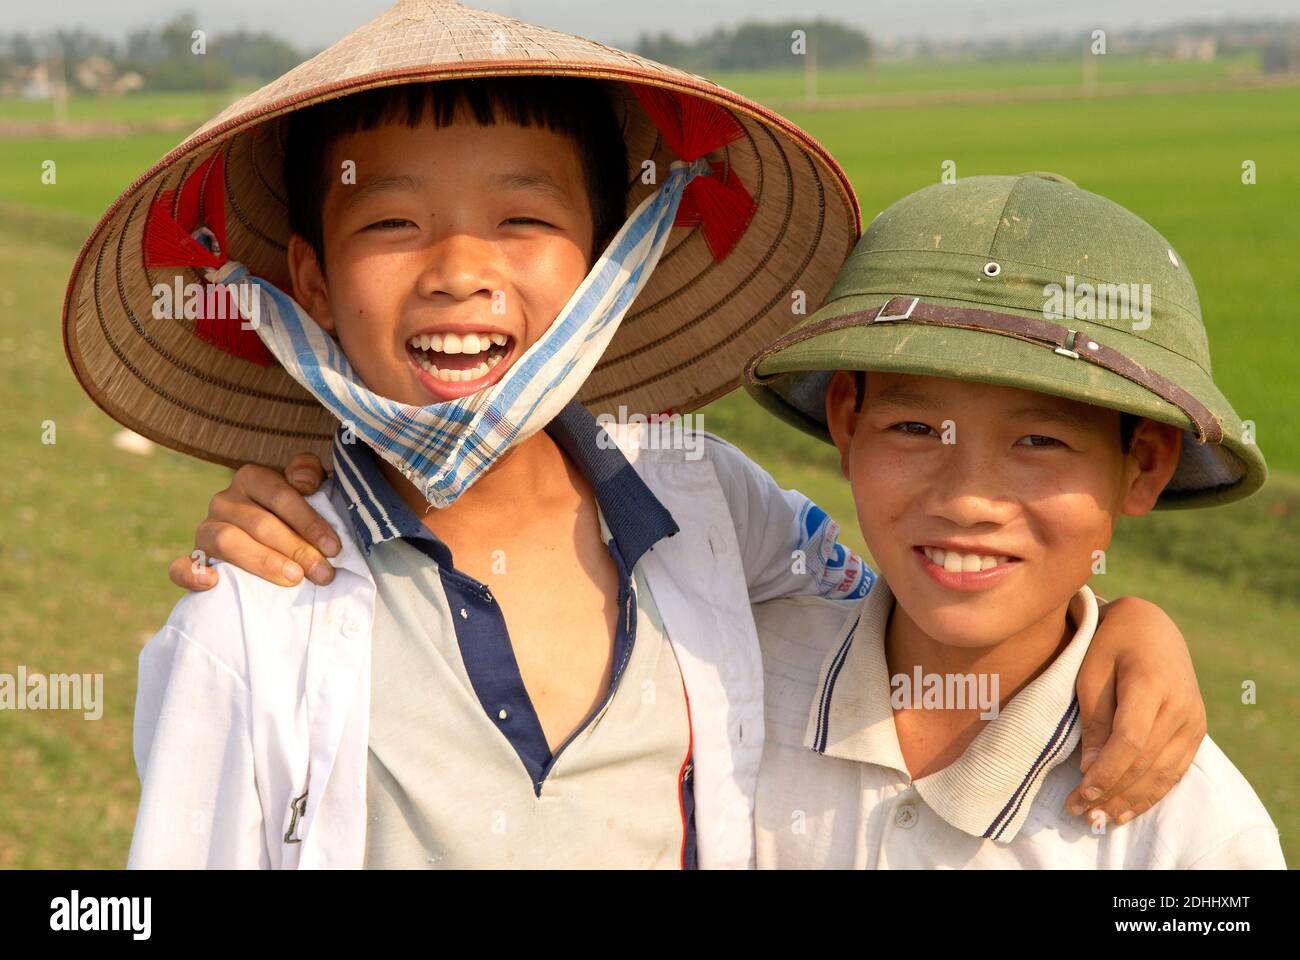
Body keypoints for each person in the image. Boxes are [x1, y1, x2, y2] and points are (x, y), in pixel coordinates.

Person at [65, 2, 1208, 868]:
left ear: (613, 259)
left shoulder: (707, 501)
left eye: (522, 219)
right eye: (395, 223)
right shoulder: (255, 619)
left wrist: (1122, 628)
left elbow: (916, 611)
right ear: (308, 282)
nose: (460, 270)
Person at [741, 172, 1284, 868]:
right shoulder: (728, 678)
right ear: (848, 421)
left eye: (1039, 442)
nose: (968, 499)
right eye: (914, 426)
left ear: (1142, 464)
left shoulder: (1190, 836)